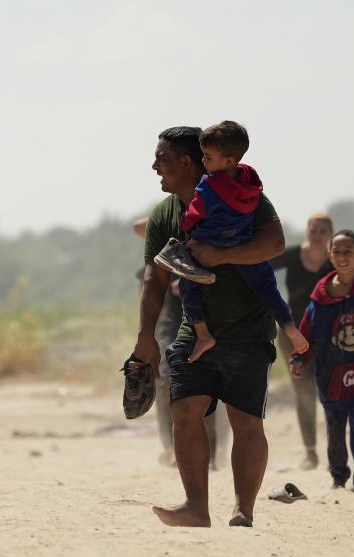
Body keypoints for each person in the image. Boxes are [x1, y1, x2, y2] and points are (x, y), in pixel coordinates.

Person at [132, 125, 285, 528]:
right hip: (194, 327)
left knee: (246, 421)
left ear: (186, 163)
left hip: (248, 327)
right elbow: (154, 278)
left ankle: (243, 509)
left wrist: (221, 254)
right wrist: (145, 336)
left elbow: (274, 243)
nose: (154, 167)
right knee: (184, 409)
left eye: (161, 160)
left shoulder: (240, 194)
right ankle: (196, 507)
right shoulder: (165, 214)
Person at [155, 121, 308, 364]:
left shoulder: (208, 184)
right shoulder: (250, 180)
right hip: (242, 240)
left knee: (186, 285)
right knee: (267, 287)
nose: (203, 162)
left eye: (207, 157)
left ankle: (203, 335)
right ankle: (290, 327)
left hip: (209, 242)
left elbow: (196, 212)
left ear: (226, 161)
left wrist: (186, 225)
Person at [289, 230, 354, 492]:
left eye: (349, 252)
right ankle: (339, 476)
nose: (343, 257)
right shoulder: (320, 295)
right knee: (334, 429)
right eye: (338, 252)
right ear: (329, 255)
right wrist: (299, 356)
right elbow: (306, 332)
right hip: (329, 375)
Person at [132, 224, 228, 469]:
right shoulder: (157, 262)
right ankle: (171, 448)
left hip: (206, 327)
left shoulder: (204, 252)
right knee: (164, 384)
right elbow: (139, 226)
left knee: (209, 389)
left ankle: (212, 452)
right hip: (168, 329)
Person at [270, 214, 335, 470]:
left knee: (330, 392)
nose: (317, 233)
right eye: (313, 229)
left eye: (322, 230)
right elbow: (261, 268)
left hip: (327, 336)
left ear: (330, 234)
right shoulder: (293, 255)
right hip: (292, 332)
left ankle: (335, 450)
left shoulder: (335, 261)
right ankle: (310, 453)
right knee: (303, 392)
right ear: (307, 231)